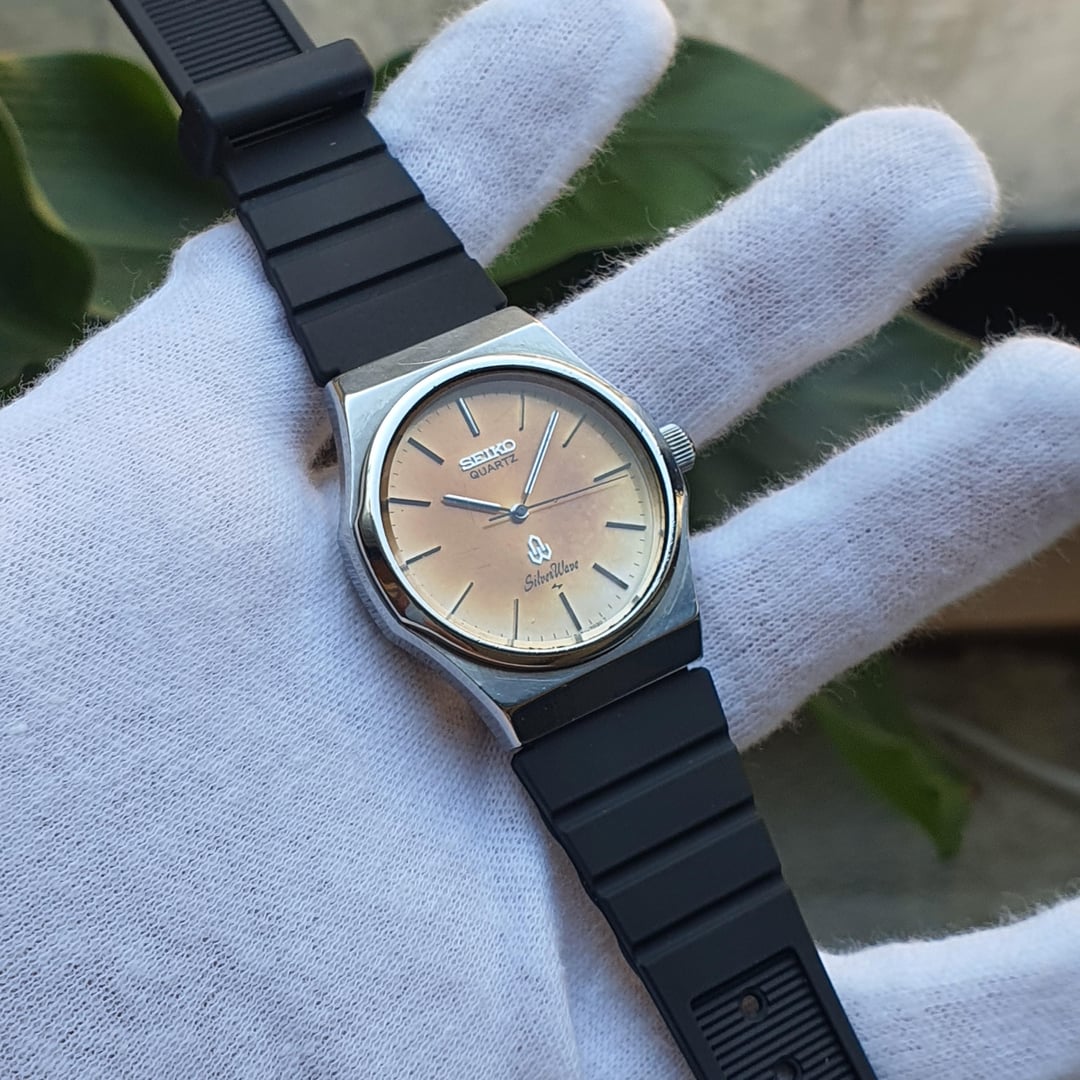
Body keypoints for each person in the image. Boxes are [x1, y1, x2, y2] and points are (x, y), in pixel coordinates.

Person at [2, 0, 1078, 1076]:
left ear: (654, 455)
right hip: (531, 649)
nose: (513, 510)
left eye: (516, 500)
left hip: (616, 621)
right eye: (490, 511)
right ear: (385, 573)